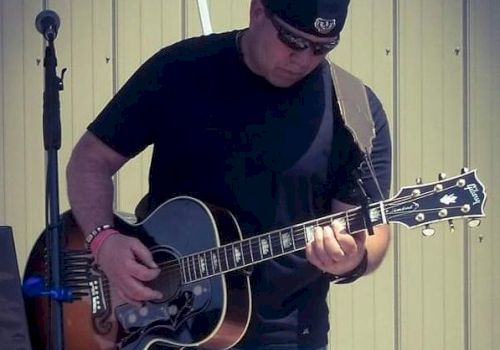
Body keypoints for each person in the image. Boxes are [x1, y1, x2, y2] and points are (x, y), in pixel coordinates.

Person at [66, 0, 392, 349]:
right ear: (257, 11)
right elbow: (90, 160)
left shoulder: (356, 111)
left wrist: (352, 259)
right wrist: (103, 241)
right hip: (160, 327)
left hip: (286, 336)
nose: (305, 59)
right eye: (293, 41)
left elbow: (370, 227)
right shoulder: (180, 70)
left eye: (323, 48)